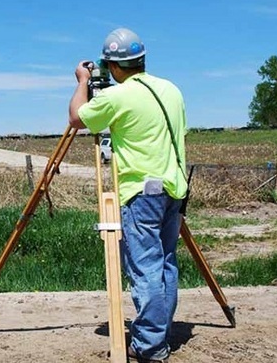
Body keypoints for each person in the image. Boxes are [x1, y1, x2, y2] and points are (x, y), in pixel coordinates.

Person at [68, 28, 188, 363]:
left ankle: (149, 345)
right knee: (165, 263)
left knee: (145, 267)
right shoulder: (171, 90)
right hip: (174, 188)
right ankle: (160, 330)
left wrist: (82, 81)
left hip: (141, 193)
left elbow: (77, 117)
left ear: (114, 66)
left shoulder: (117, 97)